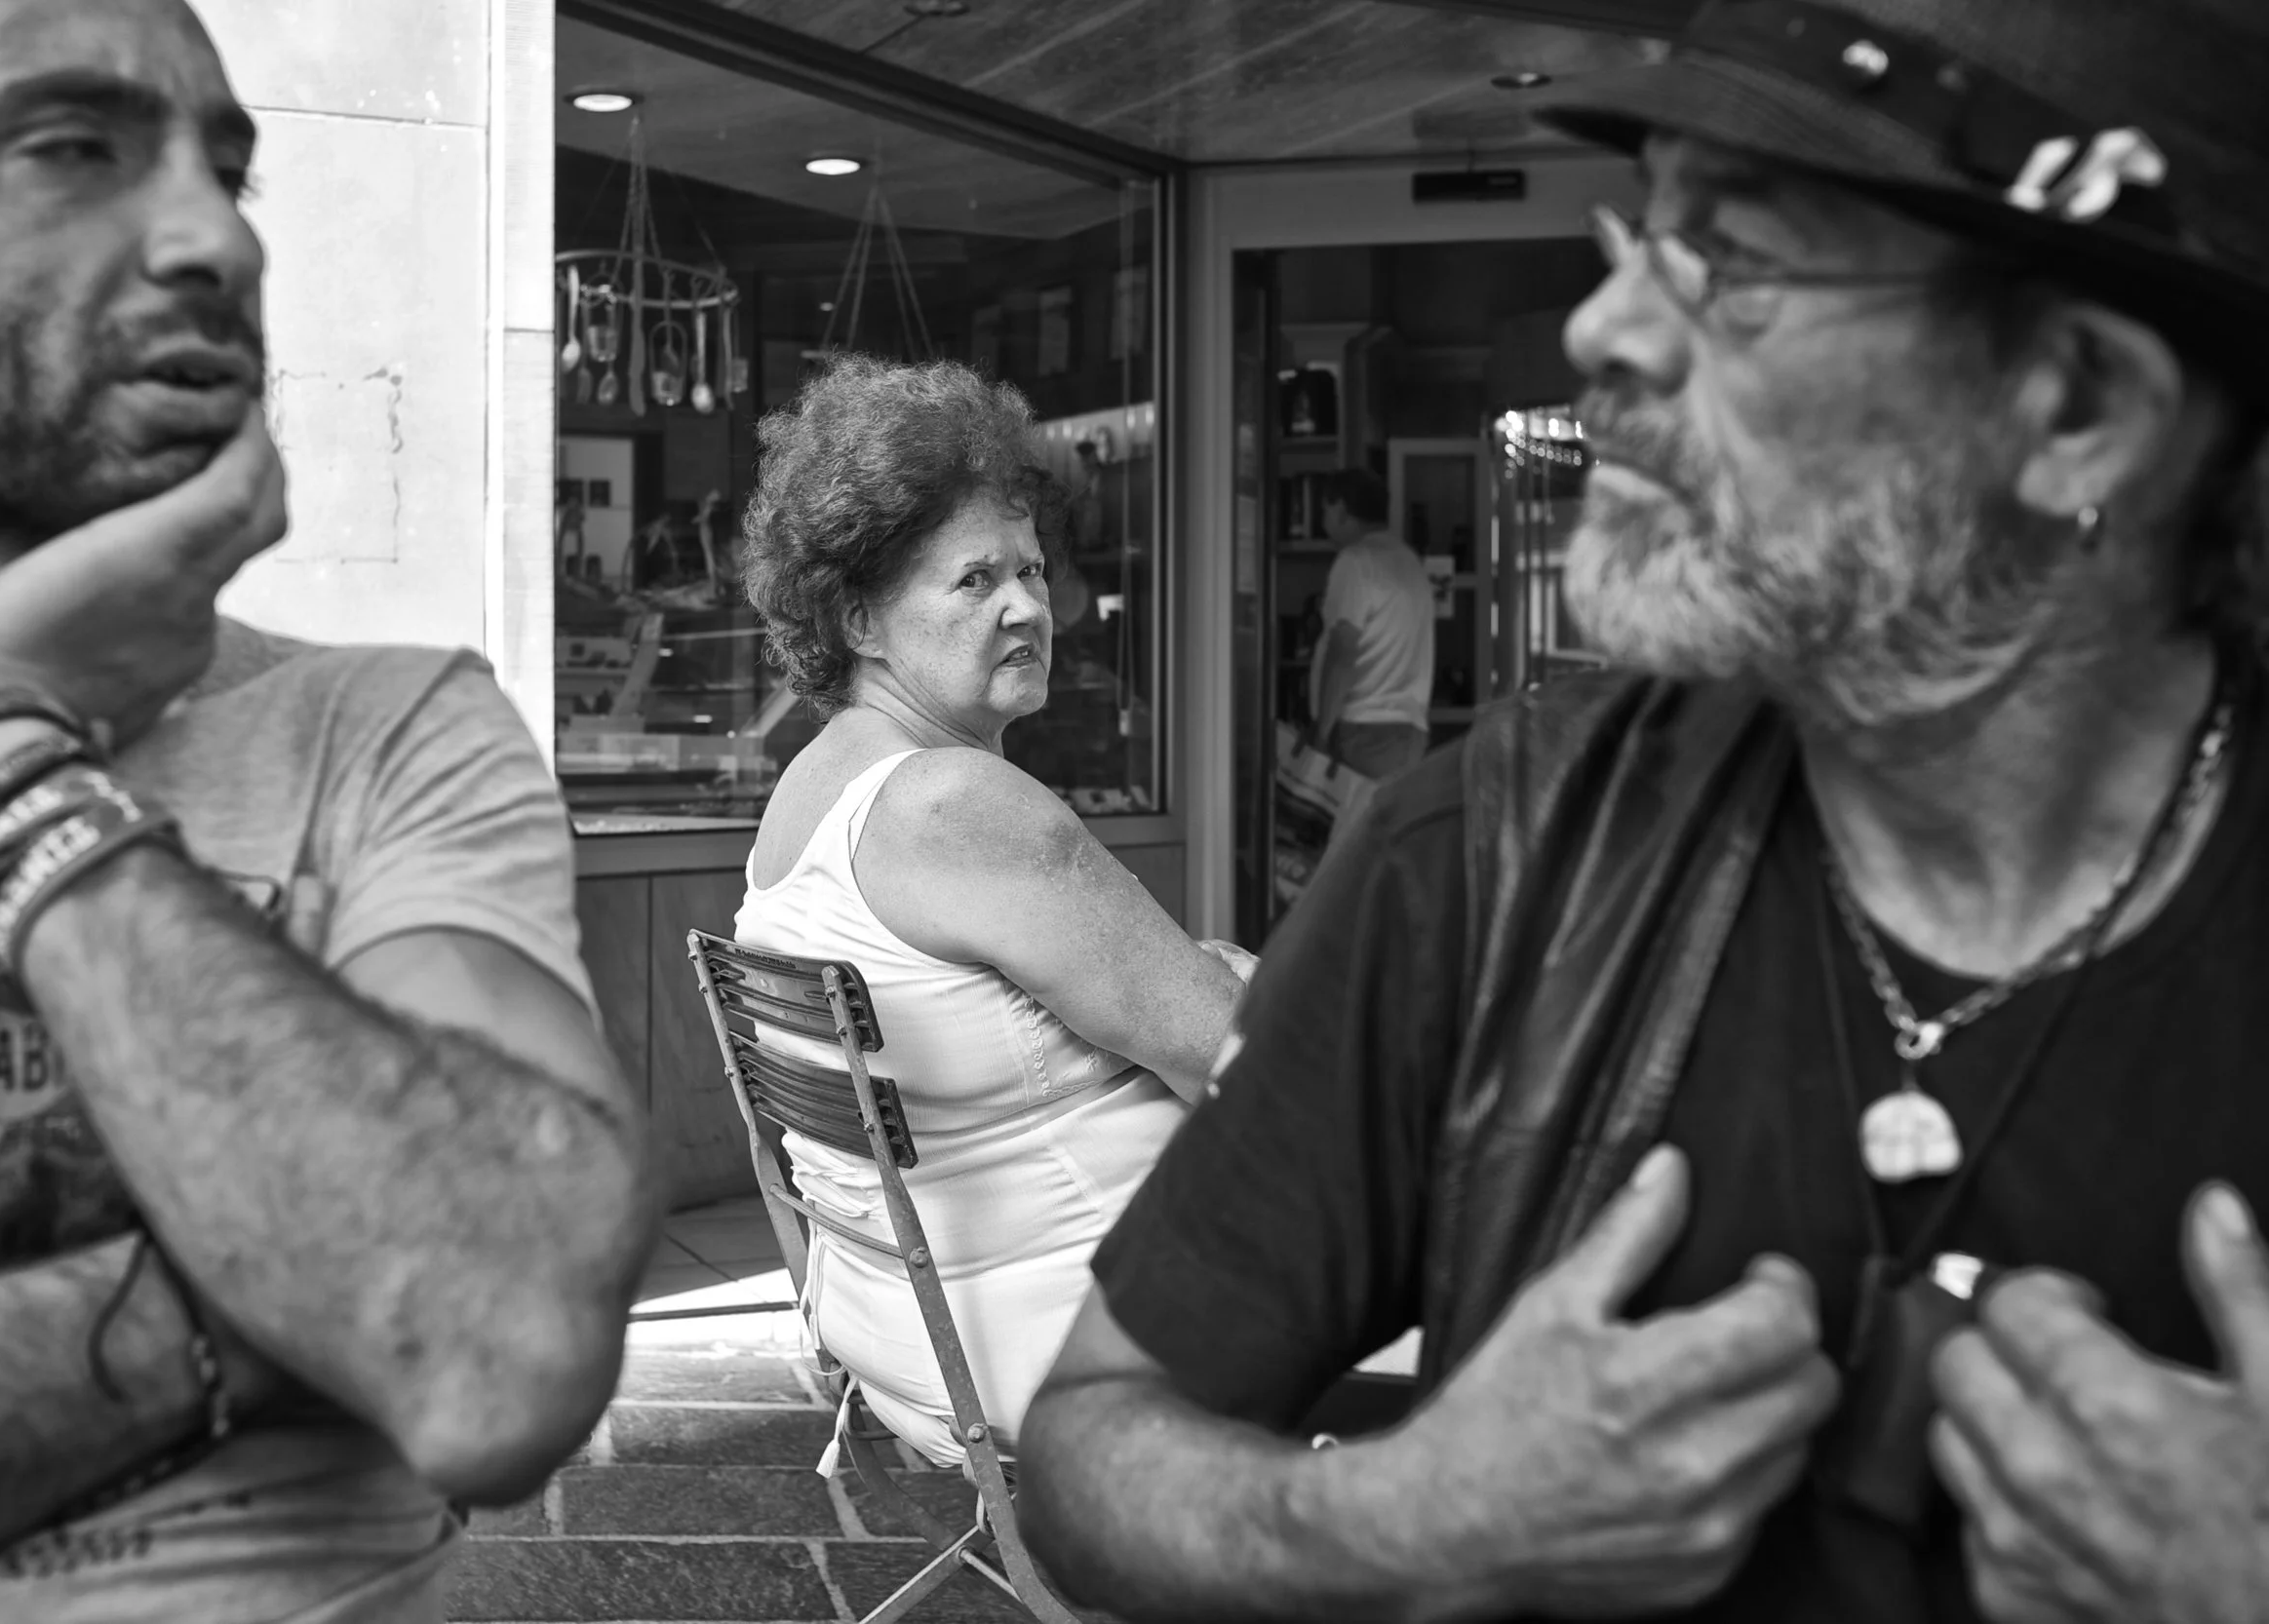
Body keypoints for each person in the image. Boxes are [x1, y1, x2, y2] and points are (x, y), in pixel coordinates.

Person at [1021, 3, 2269, 1621]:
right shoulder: (1488, 851)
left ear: (2079, 406)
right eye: (1644, 230)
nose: (1604, 324)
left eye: (1730, 261)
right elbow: (1084, 1458)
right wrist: (1406, 1517)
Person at [0, 2, 659, 1619]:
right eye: (71, 148)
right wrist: (298, 1284)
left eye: (230, 169)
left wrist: (7, 748)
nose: (217, 235)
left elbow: (501, 1342)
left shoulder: (384, 728)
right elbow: (460, 1288)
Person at [733, 354, 1252, 1468]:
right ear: (861, 618)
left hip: (917, 1340)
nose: (1028, 606)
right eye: (975, 582)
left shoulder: (816, 784)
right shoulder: (958, 803)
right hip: (1097, 1345)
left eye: (1029, 569)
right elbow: (1237, 1062)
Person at [1308, 467, 1432, 782]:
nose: (1323, 522)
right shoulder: (1409, 562)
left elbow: (1343, 652)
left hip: (1364, 730)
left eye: (1325, 510)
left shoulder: (1356, 562)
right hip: (1407, 730)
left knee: (1353, 828)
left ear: (1342, 510)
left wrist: (1321, 732)